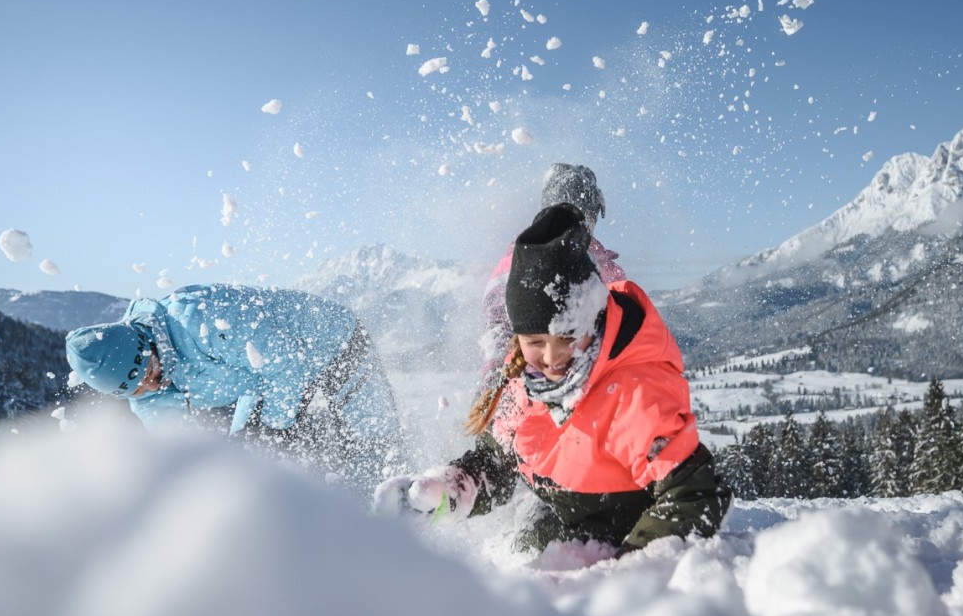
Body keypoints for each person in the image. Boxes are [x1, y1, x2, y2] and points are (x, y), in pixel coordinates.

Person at [375, 204, 732, 557]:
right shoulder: (524, 384)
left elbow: (693, 495)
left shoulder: (631, 392)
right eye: (534, 342)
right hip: (573, 527)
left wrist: (628, 574)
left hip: (629, 539)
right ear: (517, 339)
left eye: (567, 337)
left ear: (593, 319)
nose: (550, 358)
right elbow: (497, 462)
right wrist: (446, 492)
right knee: (524, 547)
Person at [65, 283, 404, 494]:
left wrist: (274, 427)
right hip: (263, 382)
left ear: (146, 343)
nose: (154, 384)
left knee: (375, 443)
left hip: (331, 344)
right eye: (138, 389)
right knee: (250, 463)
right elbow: (181, 453)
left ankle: (404, 505)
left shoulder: (197, 319)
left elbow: (288, 363)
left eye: (150, 369)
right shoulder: (149, 395)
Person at [475, 164, 626, 410]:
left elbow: (623, 327)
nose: (583, 224)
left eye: (589, 216)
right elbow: (498, 328)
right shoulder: (524, 260)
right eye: (577, 213)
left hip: (596, 390)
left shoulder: (603, 265)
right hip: (533, 392)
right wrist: (495, 387)